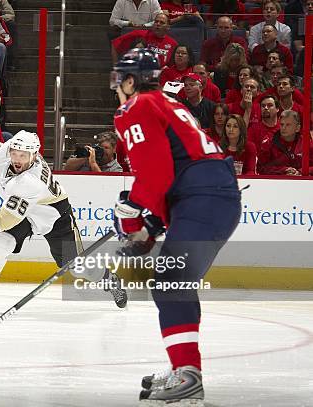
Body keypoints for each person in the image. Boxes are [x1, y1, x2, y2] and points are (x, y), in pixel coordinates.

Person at [111, 48, 241, 404]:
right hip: (210, 195)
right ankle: (184, 367)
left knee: (171, 281)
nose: (116, 86)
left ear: (131, 80)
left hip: (203, 196)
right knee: (174, 281)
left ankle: (188, 373)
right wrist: (151, 224)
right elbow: (176, 171)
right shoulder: (168, 103)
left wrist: (132, 216)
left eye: (120, 77)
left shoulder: (134, 107)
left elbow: (156, 175)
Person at [0, 129, 127, 310]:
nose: (17, 159)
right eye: (15, 153)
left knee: (76, 267)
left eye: (23, 155)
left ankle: (109, 279)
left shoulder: (31, 181)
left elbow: (7, 218)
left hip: (54, 214)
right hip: (26, 213)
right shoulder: (9, 150)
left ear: (34, 156)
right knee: (1, 242)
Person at [111, 11, 177, 67]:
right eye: (156, 22)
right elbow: (115, 44)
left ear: (168, 27)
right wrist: (116, 67)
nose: (158, 24)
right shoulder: (139, 34)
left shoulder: (173, 44)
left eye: (162, 22)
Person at [258, 110, 313, 175]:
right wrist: (284, 170)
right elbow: (261, 168)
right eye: (282, 124)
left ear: (297, 128)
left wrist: (300, 172)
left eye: (288, 125)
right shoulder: (268, 142)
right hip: (276, 182)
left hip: (301, 182)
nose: (283, 128)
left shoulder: (306, 143)